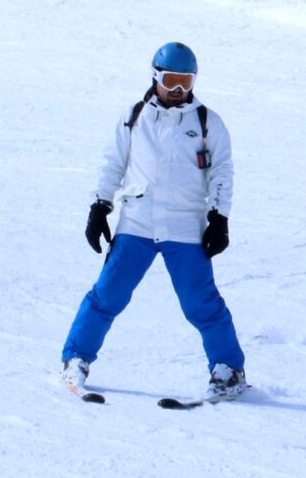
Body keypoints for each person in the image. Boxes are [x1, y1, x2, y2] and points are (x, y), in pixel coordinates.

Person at [60, 41, 246, 400]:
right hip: (137, 222)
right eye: (171, 80)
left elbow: (221, 171)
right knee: (107, 295)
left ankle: (228, 370)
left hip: (185, 226)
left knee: (201, 303)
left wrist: (219, 217)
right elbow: (113, 163)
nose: (178, 90)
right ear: (155, 76)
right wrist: (100, 206)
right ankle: (76, 359)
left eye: (186, 81)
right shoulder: (134, 117)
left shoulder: (207, 122)